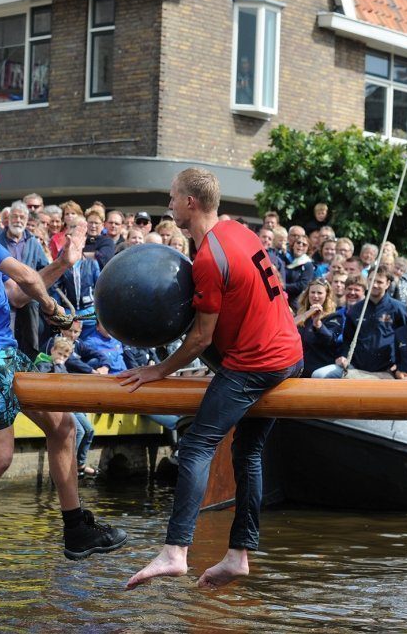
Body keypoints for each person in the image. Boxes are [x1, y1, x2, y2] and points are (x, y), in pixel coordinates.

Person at [0, 163, 126, 599]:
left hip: (1, 351)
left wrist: (62, 263)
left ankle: (75, 530)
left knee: (63, 425)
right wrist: (55, 310)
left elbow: (14, 294)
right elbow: (28, 281)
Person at [120, 167, 302, 590]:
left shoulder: (208, 258)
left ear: (190, 203)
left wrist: (159, 370)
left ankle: (175, 551)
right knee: (248, 451)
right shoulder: (240, 230)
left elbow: (201, 336)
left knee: (198, 443)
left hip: (256, 363)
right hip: (289, 353)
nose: (168, 205)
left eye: (172, 197)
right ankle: (239, 554)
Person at [313, 267, 406, 379]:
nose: (374, 285)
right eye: (371, 280)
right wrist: (343, 356)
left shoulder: (398, 309)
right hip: (355, 368)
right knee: (319, 375)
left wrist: (400, 364)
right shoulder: (356, 309)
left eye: (379, 282)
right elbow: (348, 339)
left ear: (387, 284)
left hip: (386, 370)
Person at [35, 336, 97, 477]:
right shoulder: (44, 363)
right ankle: (65, 467)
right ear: (53, 350)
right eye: (59, 354)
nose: (61, 357)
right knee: (78, 431)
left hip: (67, 403)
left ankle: (79, 464)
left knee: (89, 430)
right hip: (55, 404)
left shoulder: (62, 365)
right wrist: (58, 365)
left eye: (65, 356)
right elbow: (58, 383)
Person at [0, 201, 50, 358]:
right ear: (8, 218)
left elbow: (44, 267)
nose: (18, 220)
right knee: (7, 333)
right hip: (4, 293)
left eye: (21, 217)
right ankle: (7, 359)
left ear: (26, 220)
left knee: (31, 335)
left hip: (29, 295)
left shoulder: (33, 241)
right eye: (15, 216)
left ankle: (31, 359)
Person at [295, 278, 344, 377]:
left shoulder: (334, 317)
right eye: (312, 292)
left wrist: (317, 323)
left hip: (319, 369)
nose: (315, 296)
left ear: (326, 296)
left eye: (320, 293)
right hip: (298, 369)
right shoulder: (300, 315)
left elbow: (331, 340)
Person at [283, 235, 314, 307]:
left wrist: (283, 286)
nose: (300, 245)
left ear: (308, 249)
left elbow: (303, 285)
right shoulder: (286, 261)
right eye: (298, 243)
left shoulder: (308, 264)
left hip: (296, 304)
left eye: (304, 244)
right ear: (293, 245)